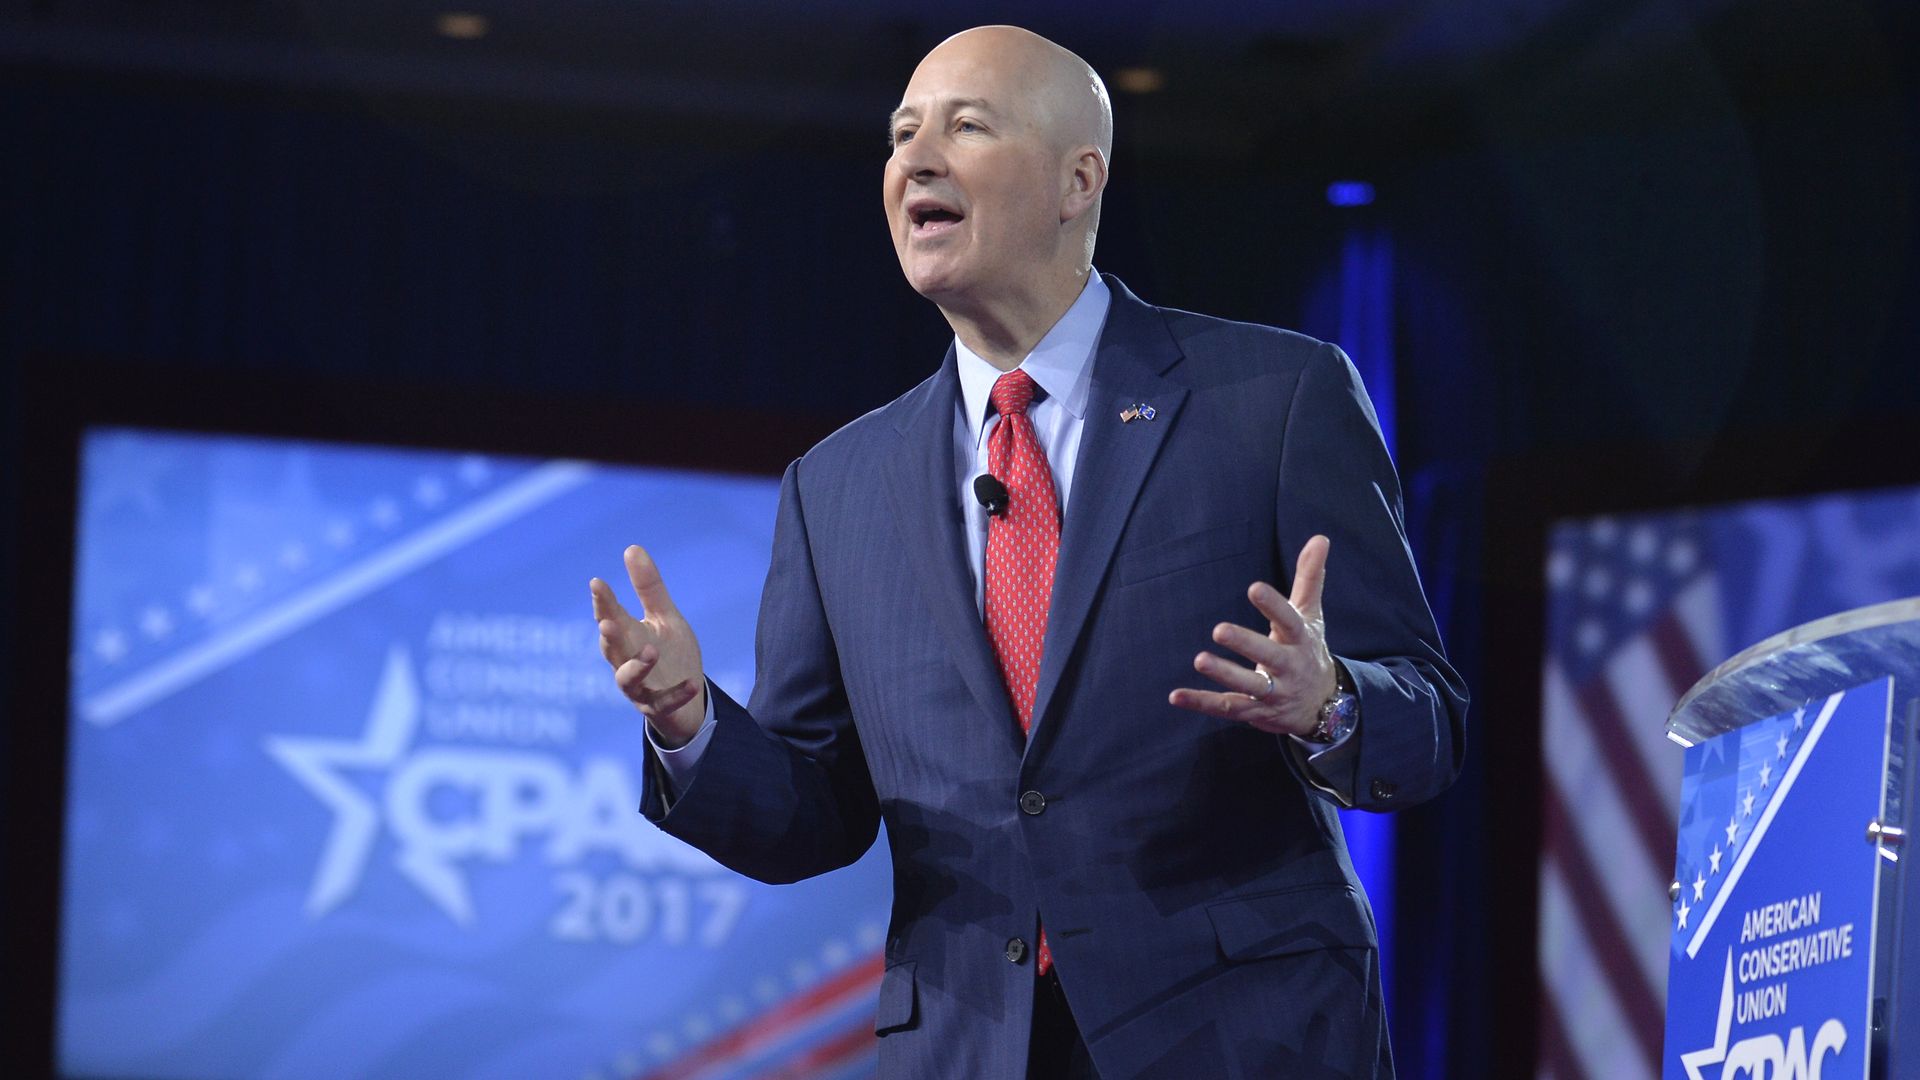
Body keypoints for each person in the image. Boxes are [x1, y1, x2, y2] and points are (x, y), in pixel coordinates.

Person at [590, 25, 1466, 1080]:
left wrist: (1331, 702)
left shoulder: (1272, 400)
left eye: (966, 127)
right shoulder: (837, 486)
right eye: (901, 134)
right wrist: (690, 723)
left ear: (1076, 180)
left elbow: (1429, 719)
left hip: (1242, 1035)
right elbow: (812, 816)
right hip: (970, 1045)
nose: (916, 159)